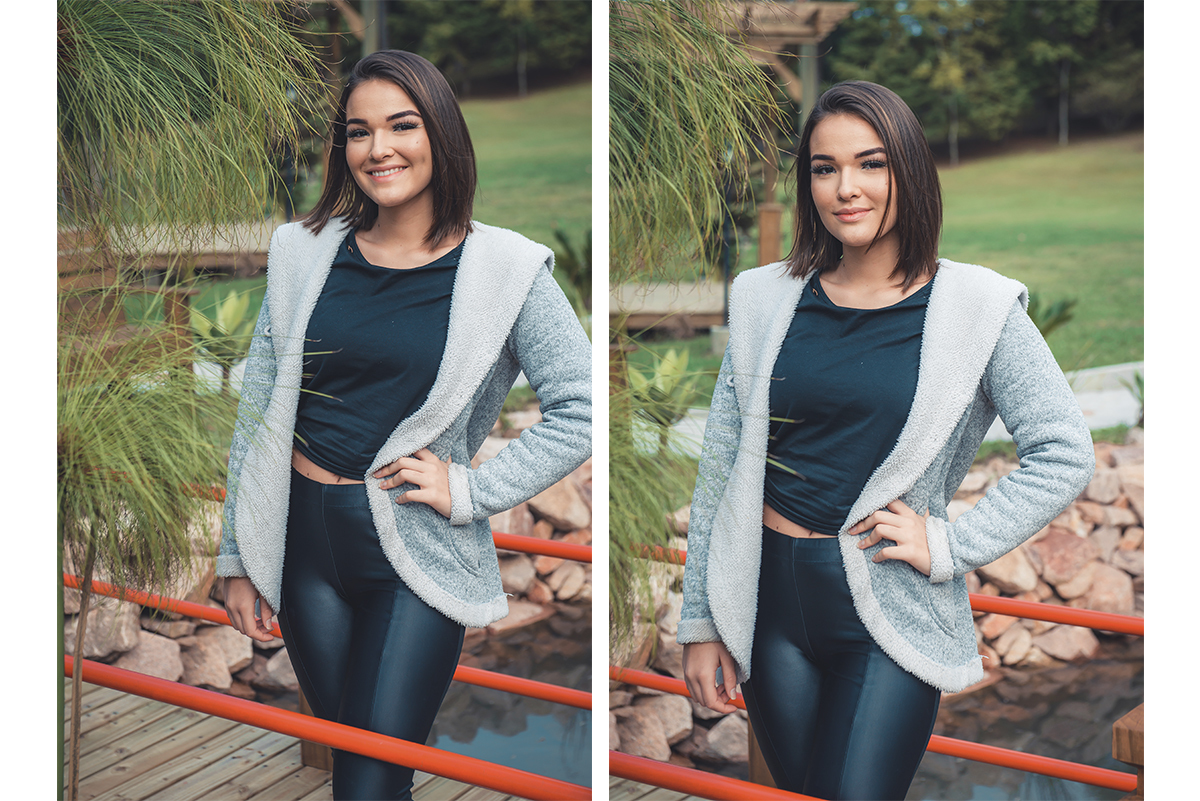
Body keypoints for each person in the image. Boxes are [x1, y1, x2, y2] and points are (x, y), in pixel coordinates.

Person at [678, 81, 1095, 800]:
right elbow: (721, 466)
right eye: (824, 167)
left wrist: (950, 545)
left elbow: (1064, 449)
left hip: (886, 611)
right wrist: (702, 618)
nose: (847, 188)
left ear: (909, 170)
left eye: (871, 164)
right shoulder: (762, 296)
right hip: (766, 602)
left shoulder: (978, 306)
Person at [216, 50, 591, 801]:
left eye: (400, 125)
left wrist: (473, 489)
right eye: (358, 131)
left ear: (440, 133)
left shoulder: (508, 269)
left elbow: (583, 406)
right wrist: (237, 550)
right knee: (353, 759)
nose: (377, 148)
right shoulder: (303, 251)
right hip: (301, 548)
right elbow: (259, 406)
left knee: (370, 777)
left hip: (413, 556)